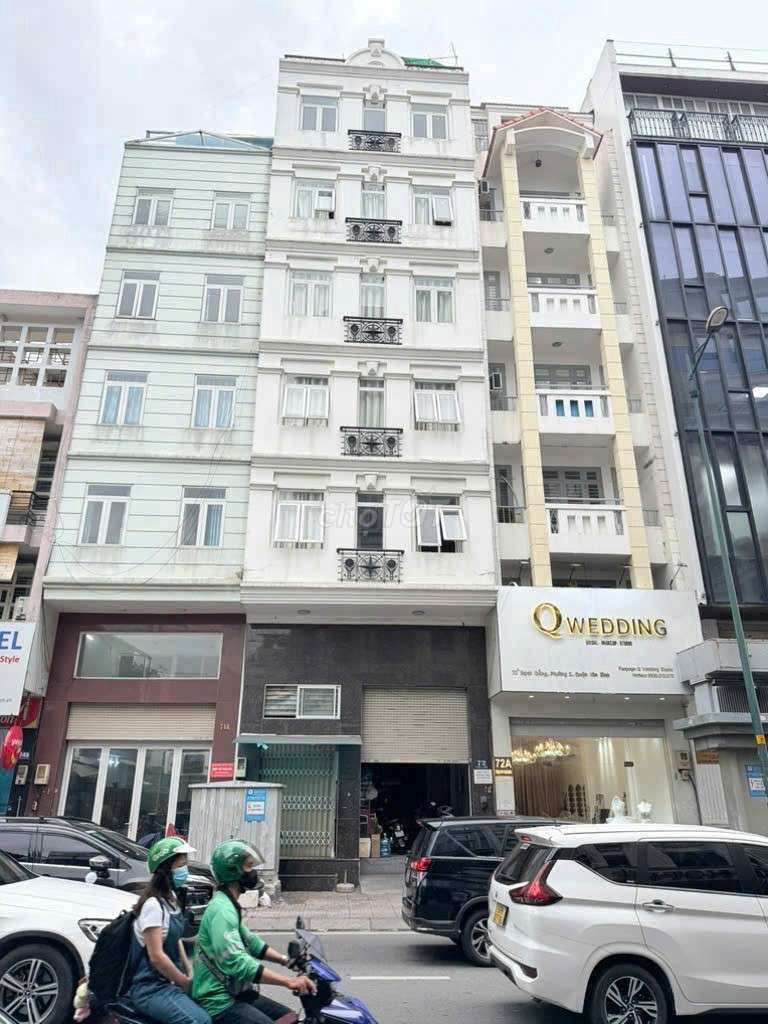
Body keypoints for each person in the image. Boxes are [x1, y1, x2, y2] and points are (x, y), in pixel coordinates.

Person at [193, 840, 316, 1024]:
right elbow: (237, 962)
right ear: (233, 871)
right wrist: (288, 981)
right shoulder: (222, 911)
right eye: (249, 866)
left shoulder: (228, 904)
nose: (254, 872)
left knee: (288, 1018)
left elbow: (251, 942)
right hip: (218, 1001)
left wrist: (286, 960)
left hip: (234, 992)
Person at [127, 836, 211, 1024]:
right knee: (200, 1021)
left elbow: (176, 941)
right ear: (166, 869)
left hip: (167, 982)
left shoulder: (171, 900)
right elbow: (156, 956)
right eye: (181, 864)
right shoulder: (153, 906)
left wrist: (190, 972)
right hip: (150, 988)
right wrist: (182, 981)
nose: (185, 870)